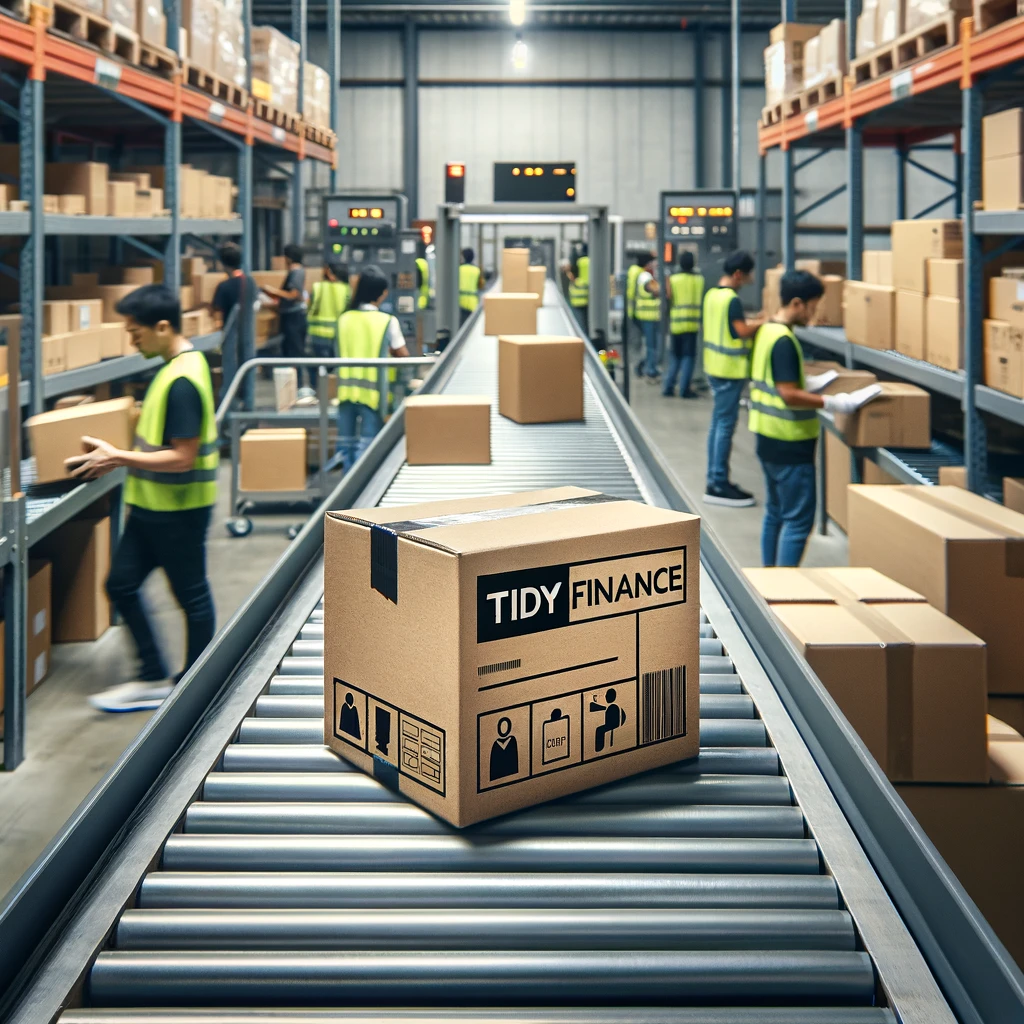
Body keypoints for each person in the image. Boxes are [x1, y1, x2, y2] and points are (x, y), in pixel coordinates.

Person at [67, 285, 219, 713]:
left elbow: (184, 457)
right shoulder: (173, 367)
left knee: (191, 595)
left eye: (136, 333)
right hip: (151, 507)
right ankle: (153, 676)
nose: (132, 341)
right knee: (121, 584)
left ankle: (195, 687)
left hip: (179, 510)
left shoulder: (183, 379)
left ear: (163, 326)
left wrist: (116, 458)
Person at [749, 270, 880, 567]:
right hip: (789, 444)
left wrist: (809, 384)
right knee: (797, 521)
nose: (814, 313)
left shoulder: (768, 331)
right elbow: (787, 394)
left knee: (775, 513)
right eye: (813, 306)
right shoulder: (784, 341)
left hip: (766, 437)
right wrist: (834, 401)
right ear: (797, 303)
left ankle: (768, 582)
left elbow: (776, 382)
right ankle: (781, 592)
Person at [702, 250, 762, 508]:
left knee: (718, 425)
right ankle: (717, 483)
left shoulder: (712, 295)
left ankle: (715, 479)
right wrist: (766, 321)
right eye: (749, 274)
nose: (750, 278)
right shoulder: (732, 300)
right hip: (729, 371)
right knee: (724, 427)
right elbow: (740, 332)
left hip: (714, 367)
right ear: (739, 274)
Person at [335, 264, 409, 470]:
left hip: (345, 393)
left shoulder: (344, 319)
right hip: (374, 395)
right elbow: (403, 355)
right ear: (380, 294)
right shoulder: (387, 321)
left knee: (345, 446)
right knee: (367, 448)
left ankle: (345, 495)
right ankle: (361, 497)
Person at [210, 242, 257, 410]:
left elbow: (216, 316)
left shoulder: (224, 287)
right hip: (249, 338)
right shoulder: (251, 283)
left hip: (231, 340)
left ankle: (229, 416)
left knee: (230, 377)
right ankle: (249, 412)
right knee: (248, 375)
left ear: (223, 263)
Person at [263, 243, 307, 379]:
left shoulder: (297, 273)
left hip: (294, 319)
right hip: (290, 317)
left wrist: (272, 291)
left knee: (294, 353)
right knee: (289, 352)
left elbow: (294, 294)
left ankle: (297, 385)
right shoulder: (295, 273)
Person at [663, 251, 704, 398]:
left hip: (676, 325)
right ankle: (684, 389)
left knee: (675, 356)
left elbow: (667, 297)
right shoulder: (699, 280)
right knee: (688, 357)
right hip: (692, 326)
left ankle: (668, 386)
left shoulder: (673, 279)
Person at [307, 259, 350, 385]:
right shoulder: (346, 290)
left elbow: (310, 308)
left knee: (315, 368)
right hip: (337, 336)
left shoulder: (318, 287)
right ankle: (331, 394)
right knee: (334, 369)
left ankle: (317, 395)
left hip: (317, 335)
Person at [633, 251, 661, 382]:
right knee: (651, 345)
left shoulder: (646, 275)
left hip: (649, 316)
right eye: (652, 261)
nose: (654, 264)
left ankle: (644, 366)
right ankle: (650, 370)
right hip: (647, 316)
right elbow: (656, 290)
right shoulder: (645, 276)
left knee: (651, 345)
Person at [624, 253, 644, 376]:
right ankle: (638, 366)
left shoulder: (632, 271)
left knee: (634, 341)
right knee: (641, 342)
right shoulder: (642, 275)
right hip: (642, 312)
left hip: (632, 311)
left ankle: (635, 364)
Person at [567, 243, 590, 336]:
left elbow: (572, 275)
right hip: (588, 296)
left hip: (577, 297)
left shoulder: (578, 261)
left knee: (579, 324)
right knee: (587, 322)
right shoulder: (592, 261)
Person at [459, 248, 483, 327]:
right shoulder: (477, 270)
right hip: (473, 302)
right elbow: (481, 285)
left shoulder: (459, 269)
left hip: (460, 301)